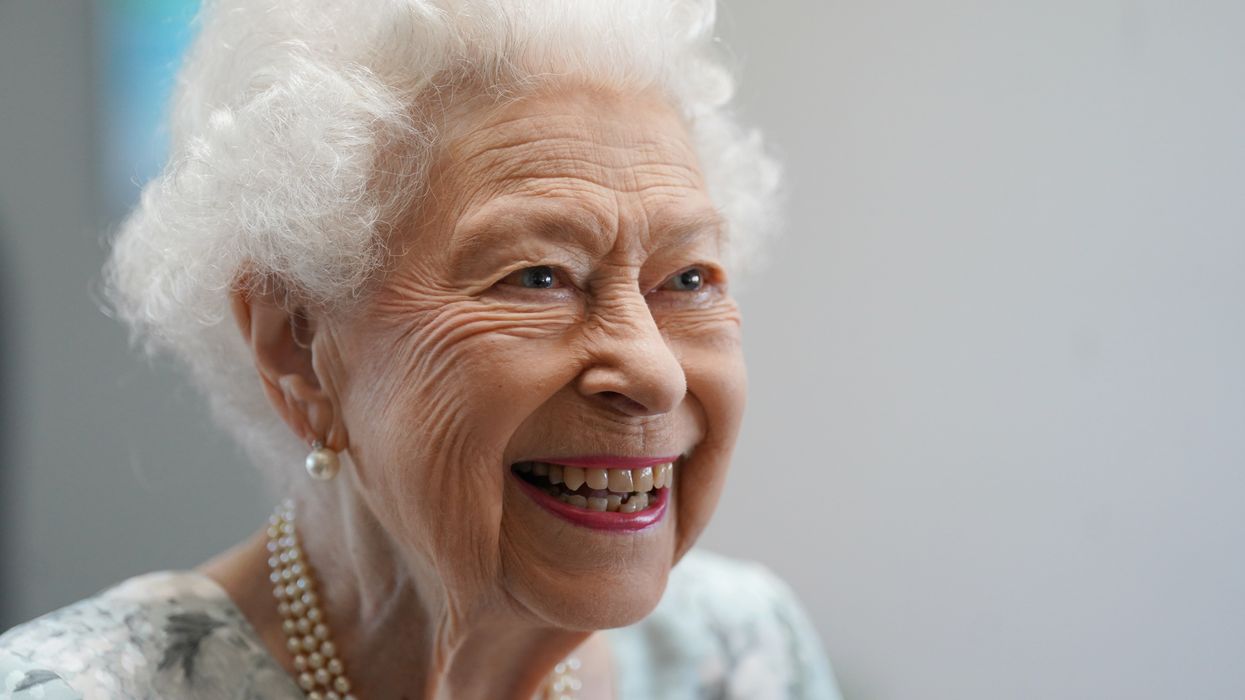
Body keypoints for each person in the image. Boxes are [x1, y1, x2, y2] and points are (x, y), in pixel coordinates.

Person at [0, 1, 840, 698]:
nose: (654, 374)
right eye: (538, 276)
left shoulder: (743, 656)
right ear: (297, 345)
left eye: (688, 278)